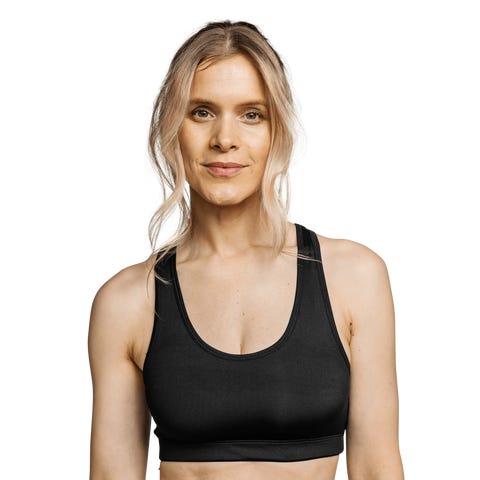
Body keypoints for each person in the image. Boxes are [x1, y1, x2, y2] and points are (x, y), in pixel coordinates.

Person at [88, 20, 404, 480]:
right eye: (201, 112)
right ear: (172, 127)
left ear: (278, 130)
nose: (225, 139)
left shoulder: (354, 277)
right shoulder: (126, 302)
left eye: (252, 114)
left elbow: (377, 468)